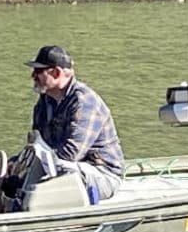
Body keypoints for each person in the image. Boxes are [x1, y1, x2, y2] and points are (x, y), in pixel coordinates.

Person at [24, 45, 124, 200]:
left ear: (56, 72)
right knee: (20, 173)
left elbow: (70, 154)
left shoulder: (85, 102)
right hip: (60, 166)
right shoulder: (43, 103)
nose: (33, 76)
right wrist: (15, 164)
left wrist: (34, 166)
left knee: (60, 170)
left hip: (102, 174)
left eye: (38, 71)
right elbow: (38, 147)